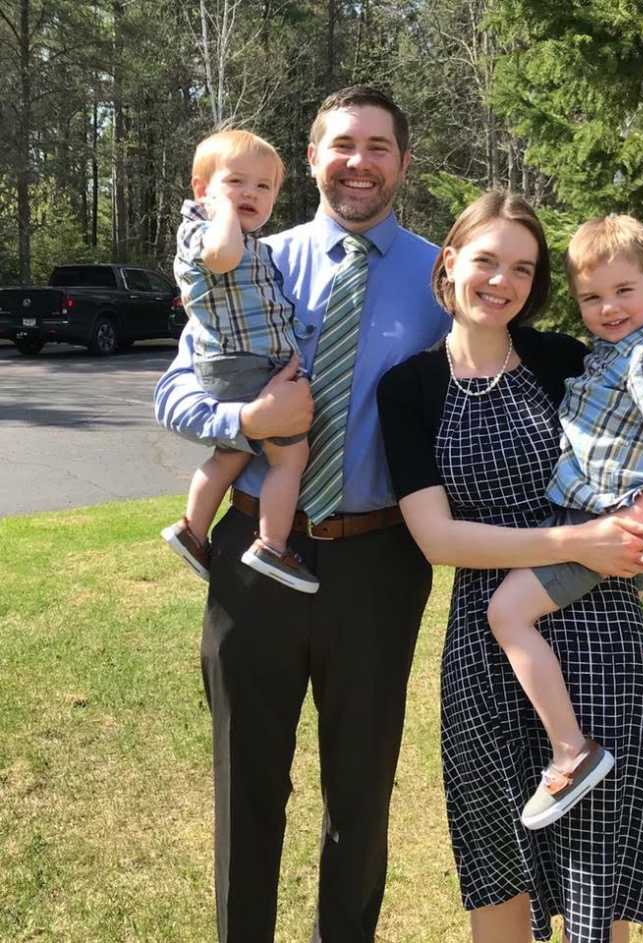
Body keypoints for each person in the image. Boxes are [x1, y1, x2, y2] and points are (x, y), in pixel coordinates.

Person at [155, 87, 451, 943]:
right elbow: (175, 390)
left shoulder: (440, 278)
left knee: (360, 793)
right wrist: (246, 423)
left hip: (380, 563)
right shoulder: (248, 257)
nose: (360, 161)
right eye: (342, 144)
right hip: (255, 554)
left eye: (380, 146)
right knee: (248, 781)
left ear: (402, 160)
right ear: (313, 156)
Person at [377, 192, 643, 943]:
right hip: (488, 645)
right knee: (497, 858)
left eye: (522, 268)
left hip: (602, 633)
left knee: (595, 880)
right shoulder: (409, 387)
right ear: (450, 263)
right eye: (485, 260)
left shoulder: (565, 361)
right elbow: (438, 538)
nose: (500, 281)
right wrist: (570, 544)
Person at [486, 214, 643, 829]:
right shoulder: (623, 350)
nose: (608, 308)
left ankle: (571, 753)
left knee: (507, 614)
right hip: (600, 512)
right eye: (592, 297)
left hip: (606, 520)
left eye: (623, 291)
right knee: (596, 628)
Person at [160, 129, 318, 593]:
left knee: (231, 451)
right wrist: (223, 211)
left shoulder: (258, 246)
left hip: (247, 362)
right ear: (200, 188)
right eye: (236, 182)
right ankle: (272, 543)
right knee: (289, 458)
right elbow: (222, 257)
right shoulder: (206, 232)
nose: (250, 193)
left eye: (263, 186)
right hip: (243, 364)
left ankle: (192, 529)